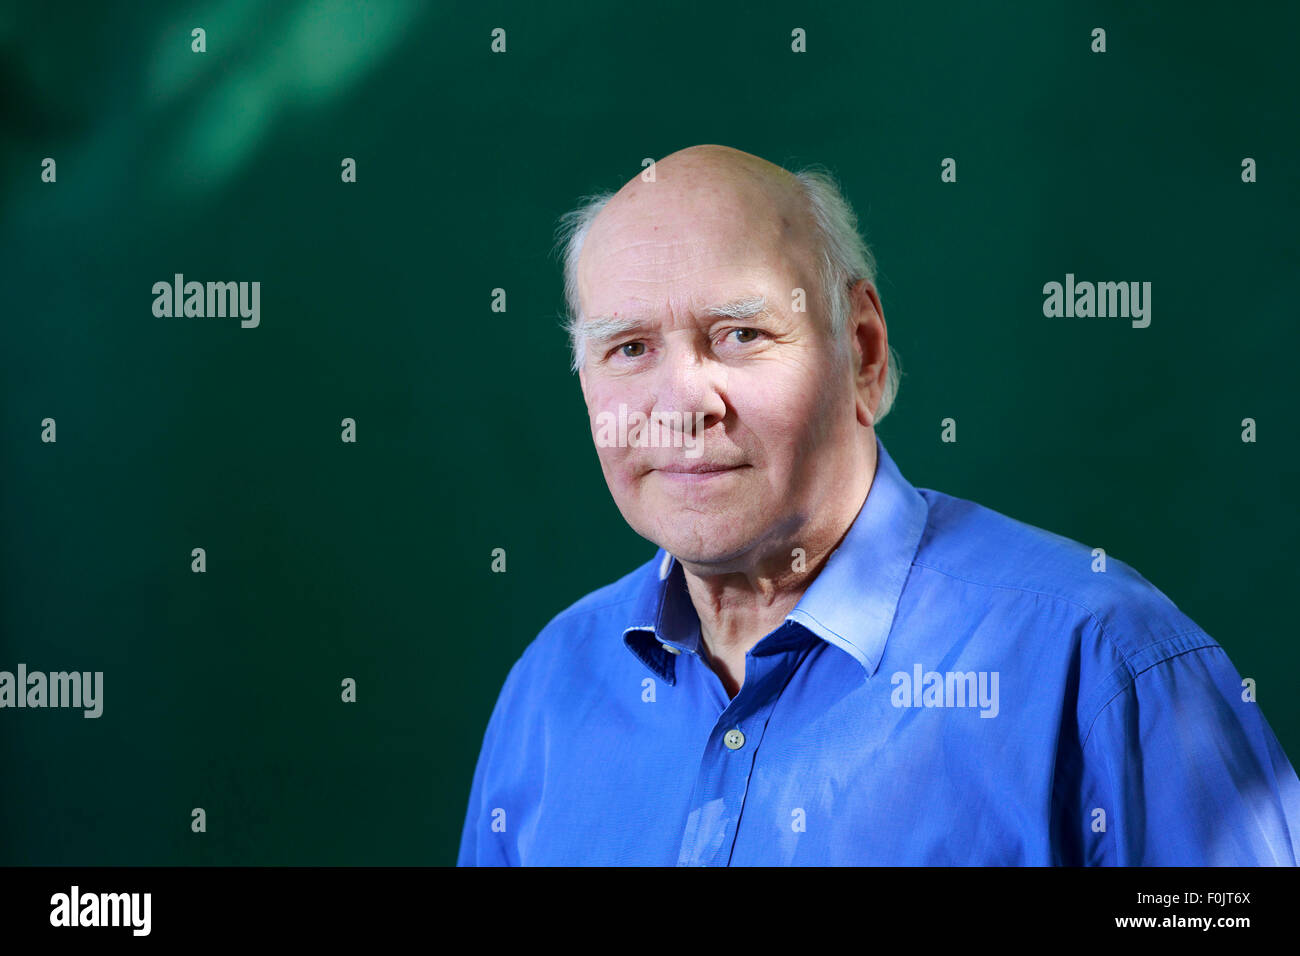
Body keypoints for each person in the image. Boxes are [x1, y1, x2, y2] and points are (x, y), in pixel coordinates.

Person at [457, 144, 1300, 865]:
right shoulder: (550, 688)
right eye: (630, 348)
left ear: (861, 351)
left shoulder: (1102, 661)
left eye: (740, 334)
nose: (683, 405)